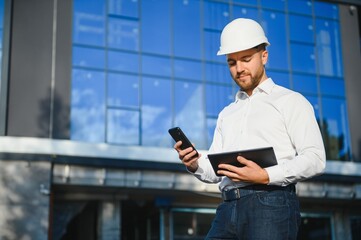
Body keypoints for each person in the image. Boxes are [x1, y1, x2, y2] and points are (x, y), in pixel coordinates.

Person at [173, 18, 326, 239]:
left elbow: (315, 159)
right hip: (227, 208)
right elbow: (216, 170)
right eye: (231, 62)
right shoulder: (227, 113)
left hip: (271, 204)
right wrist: (195, 163)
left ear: (264, 56)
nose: (239, 69)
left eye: (246, 59)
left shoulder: (291, 101)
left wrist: (265, 175)